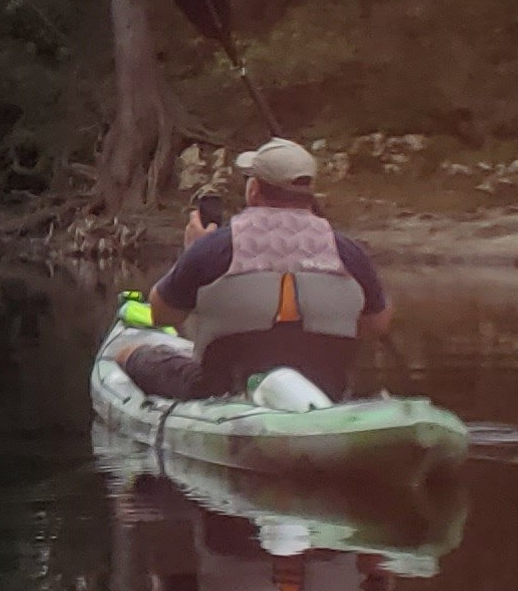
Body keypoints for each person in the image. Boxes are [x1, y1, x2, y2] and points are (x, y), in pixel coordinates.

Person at [117, 139, 392, 401]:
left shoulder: (213, 247)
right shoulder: (348, 251)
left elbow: (162, 312)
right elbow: (378, 323)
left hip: (220, 389)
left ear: (254, 190)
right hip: (325, 388)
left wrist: (191, 253)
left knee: (127, 354)